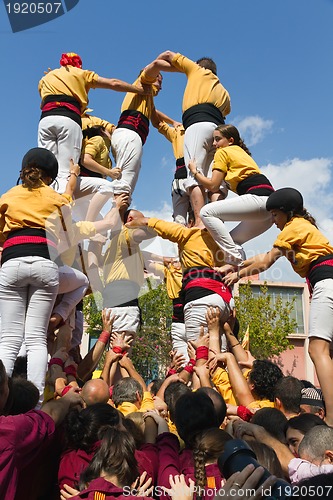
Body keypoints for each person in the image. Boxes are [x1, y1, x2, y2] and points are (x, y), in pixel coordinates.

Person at [222, 187, 333, 426]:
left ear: (287, 212)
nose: (273, 221)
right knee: (328, 353)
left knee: (317, 350)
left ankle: (332, 420)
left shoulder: (294, 227)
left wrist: (238, 274)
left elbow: (265, 261)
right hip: (325, 281)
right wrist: (234, 267)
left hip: (326, 282)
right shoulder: (301, 227)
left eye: (274, 215)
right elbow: (262, 256)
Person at [0, 148, 75, 404]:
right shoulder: (58, 198)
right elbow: (68, 238)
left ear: (23, 171)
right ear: (51, 176)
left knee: (9, 340)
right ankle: (35, 405)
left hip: (12, 264)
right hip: (45, 264)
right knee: (35, 339)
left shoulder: (9, 195)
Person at [125, 214, 233, 360]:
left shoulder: (188, 238)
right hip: (200, 310)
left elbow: (145, 252)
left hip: (195, 308)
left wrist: (125, 228)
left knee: (198, 361)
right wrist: (166, 260)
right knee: (213, 356)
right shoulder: (220, 245)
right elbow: (143, 258)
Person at [37, 52, 146, 195]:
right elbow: (113, 83)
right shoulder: (81, 74)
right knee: (66, 171)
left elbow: (42, 103)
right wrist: (138, 90)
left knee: (47, 169)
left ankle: (43, 203)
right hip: (68, 120)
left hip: (46, 120)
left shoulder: (46, 78)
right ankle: (61, 209)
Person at [154, 51, 231, 225]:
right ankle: (216, 220)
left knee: (194, 175)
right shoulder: (224, 92)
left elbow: (168, 55)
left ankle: (199, 222)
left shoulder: (197, 71)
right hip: (218, 132)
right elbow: (226, 112)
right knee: (216, 179)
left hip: (197, 126)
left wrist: (152, 69)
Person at [189, 124, 274, 265]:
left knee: (206, 212)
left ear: (231, 140)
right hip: (270, 210)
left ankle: (237, 259)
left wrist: (195, 171)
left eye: (218, 139)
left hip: (258, 199)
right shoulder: (242, 153)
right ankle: (236, 269)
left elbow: (213, 185)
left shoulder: (222, 152)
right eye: (213, 141)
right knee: (233, 241)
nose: (215, 144)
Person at [110, 59, 164, 197]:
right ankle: (115, 216)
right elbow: (149, 71)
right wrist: (161, 62)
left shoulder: (147, 98)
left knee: (125, 181)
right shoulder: (143, 83)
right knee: (123, 184)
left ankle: (116, 214)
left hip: (128, 136)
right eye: (159, 81)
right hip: (130, 134)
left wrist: (174, 122)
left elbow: (156, 118)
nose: (161, 87)